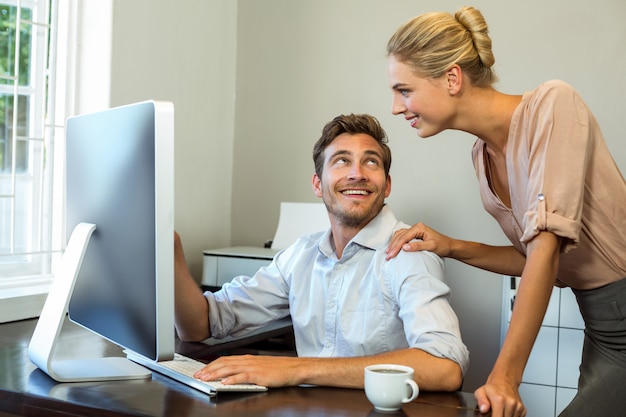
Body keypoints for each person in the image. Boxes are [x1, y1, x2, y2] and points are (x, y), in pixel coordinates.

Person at [385, 6, 626, 417]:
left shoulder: (553, 105)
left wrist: (505, 377)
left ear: (452, 77)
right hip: (602, 325)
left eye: (404, 90)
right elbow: (535, 256)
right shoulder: (481, 155)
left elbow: (546, 251)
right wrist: (451, 246)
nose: (395, 107)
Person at [174, 113, 469, 391]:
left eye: (371, 162)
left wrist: (296, 369)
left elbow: (445, 366)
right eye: (342, 161)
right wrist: (170, 254)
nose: (357, 173)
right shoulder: (300, 255)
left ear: (386, 185)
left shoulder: (409, 252)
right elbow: (200, 325)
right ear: (318, 184)